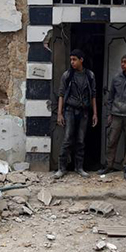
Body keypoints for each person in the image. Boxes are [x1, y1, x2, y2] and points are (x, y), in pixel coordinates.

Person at [54, 49, 98, 179]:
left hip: (84, 111)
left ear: (81, 60)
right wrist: (59, 113)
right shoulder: (67, 75)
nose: (72, 62)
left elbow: (93, 95)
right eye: (71, 60)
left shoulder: (90, 75)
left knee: (80, 140)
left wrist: (95, 113)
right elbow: (61, 94)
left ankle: (79, 167)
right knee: (67, 139)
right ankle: (61, 168)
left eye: (74, 59)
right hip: (70, 111)